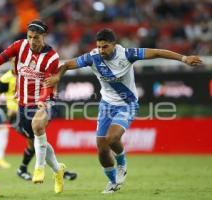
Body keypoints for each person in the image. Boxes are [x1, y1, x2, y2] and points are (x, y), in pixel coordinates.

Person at [45, 28, 202, 194]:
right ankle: (113, 182)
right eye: (99, 46)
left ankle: (121, 163)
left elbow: (156, 53)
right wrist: (58, 76)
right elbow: (68, 64)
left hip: (127, 104)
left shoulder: (127, 54)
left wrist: (184, 58)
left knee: (112, 138)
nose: (101, 50)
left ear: (114, 45)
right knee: (102, 149)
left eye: (105, 47)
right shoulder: (93, 57)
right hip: (106, 104)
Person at [0, 19, 66, 193]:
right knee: (37, 139)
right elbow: (3, 56)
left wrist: (43, 101)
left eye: (36, 38)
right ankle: (58, 170)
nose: (32, 41)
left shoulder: (52, 57)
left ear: (44, 36)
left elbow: (49, 84)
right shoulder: (20, 45)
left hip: (45, 99)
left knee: (37, 126)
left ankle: (39, 168)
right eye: (30, 37)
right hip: (23, 103)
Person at [0, 68, 78, 181]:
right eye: (15, 58)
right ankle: (59, 171)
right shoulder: (5, 78)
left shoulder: (29, 73)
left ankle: (23, 169)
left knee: (35, 143)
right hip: (16, 118)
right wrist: (5, 109)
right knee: (38, 140)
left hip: (29, 112)